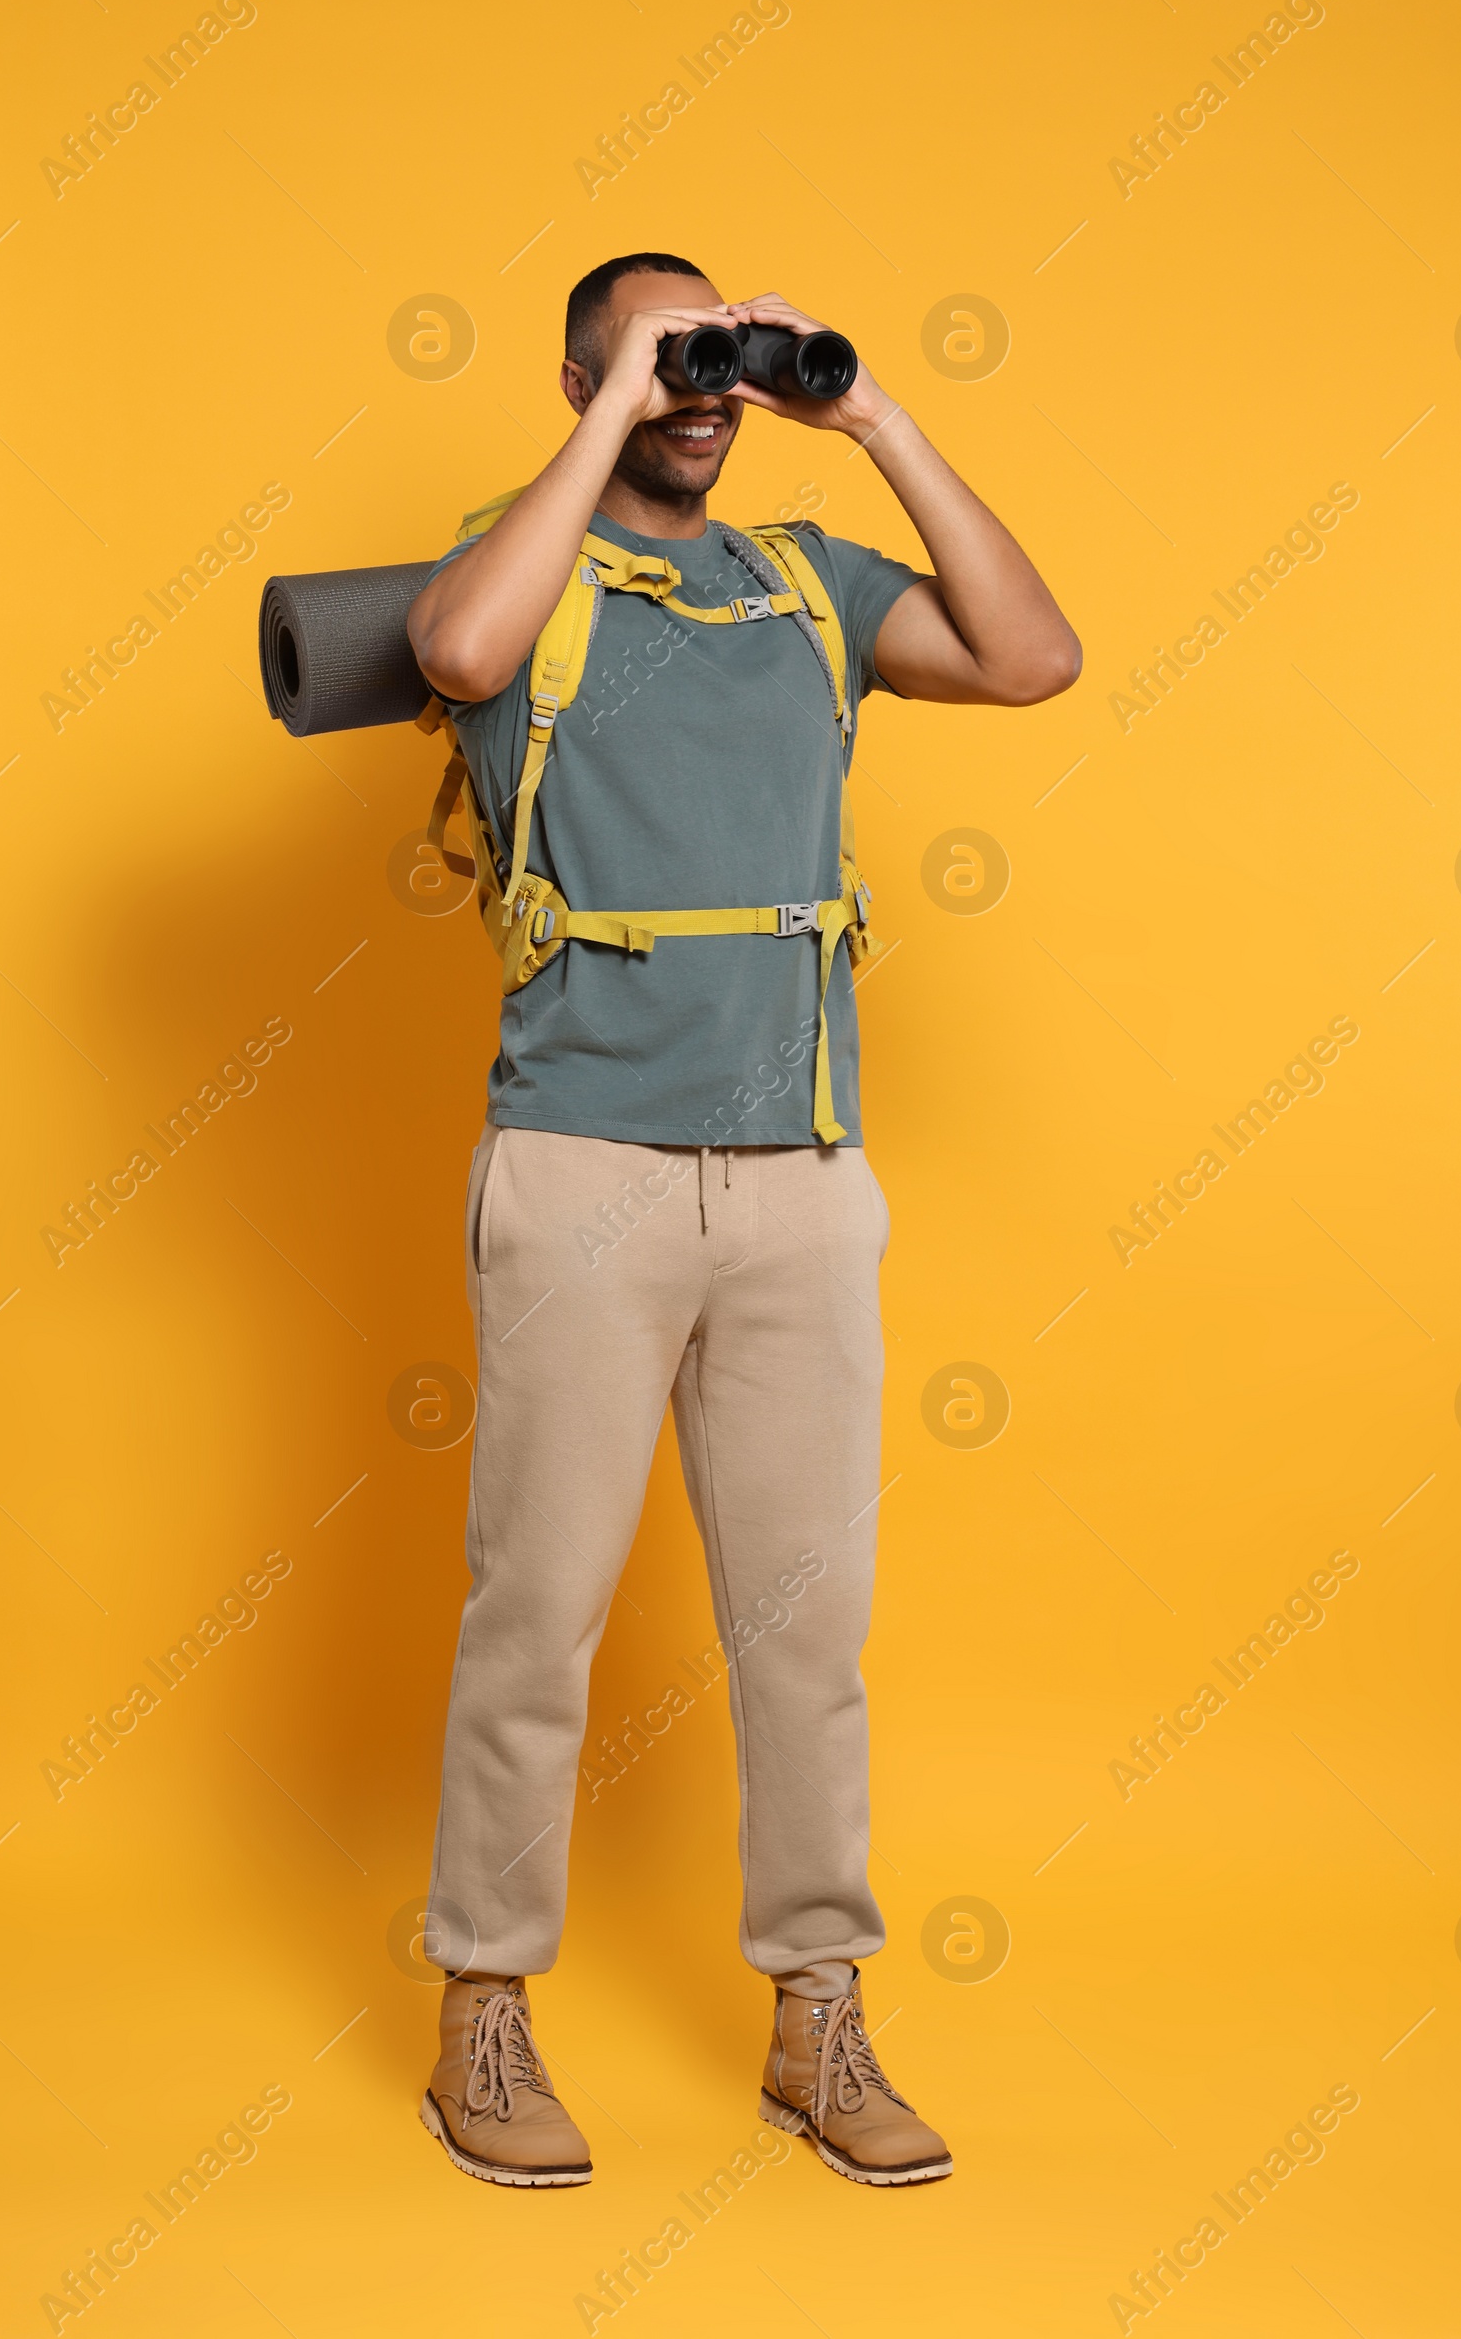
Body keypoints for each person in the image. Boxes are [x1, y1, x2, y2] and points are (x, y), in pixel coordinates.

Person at [405, 252, 1079, 2189]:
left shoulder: (805, 582)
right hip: (582, 1171)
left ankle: (816, 2017)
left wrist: (864, 418)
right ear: (579, 373)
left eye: (721, 357)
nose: (705, 384)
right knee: (535, 1611)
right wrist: (612, 409)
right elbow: (455, 656)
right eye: (663, 353)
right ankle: (483, 2008)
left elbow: (1031, 657)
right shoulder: (518, 566)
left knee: (806, 1630)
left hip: (799, 1177)